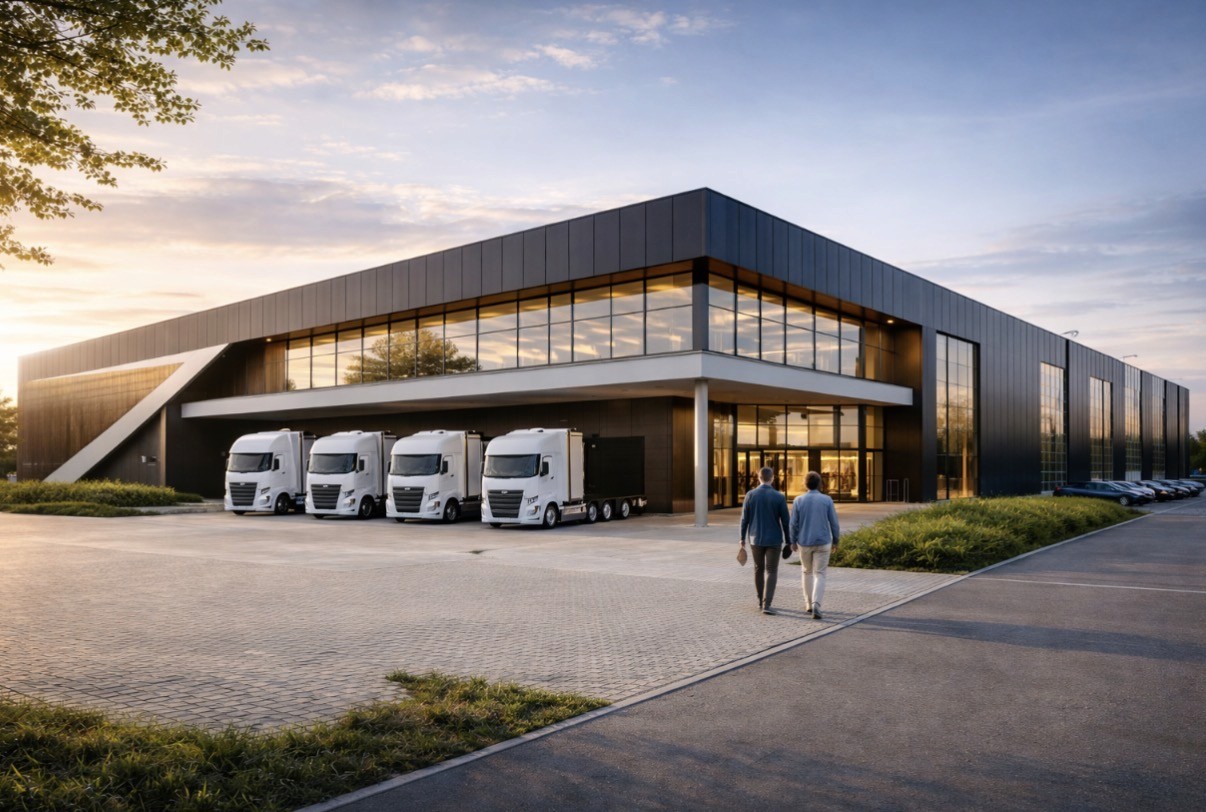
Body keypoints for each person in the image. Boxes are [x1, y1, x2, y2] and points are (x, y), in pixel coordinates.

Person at [739, 466, 791, 615]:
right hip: (774, 540)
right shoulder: (779, 497)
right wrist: (789, 541)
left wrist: (741, 538)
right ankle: (767, 604)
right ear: (772, 478)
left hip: (755, 539)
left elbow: (744, 519)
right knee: (771, 570)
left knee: (758, 569)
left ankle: (759, 601)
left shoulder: (750, 495)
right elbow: (786, 522)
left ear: (759, 478)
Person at [789, 470, 840, 620]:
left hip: (804, 542)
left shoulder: (798, 500)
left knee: (806, 572)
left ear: (805, 484)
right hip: (823, 541)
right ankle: (817, 604)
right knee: (820, 574)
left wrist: (792, 541)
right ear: (819, 484)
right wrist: (836, 540)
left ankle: (808, 604)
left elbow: (793, 524)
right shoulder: (827, 500)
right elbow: (834, 523)